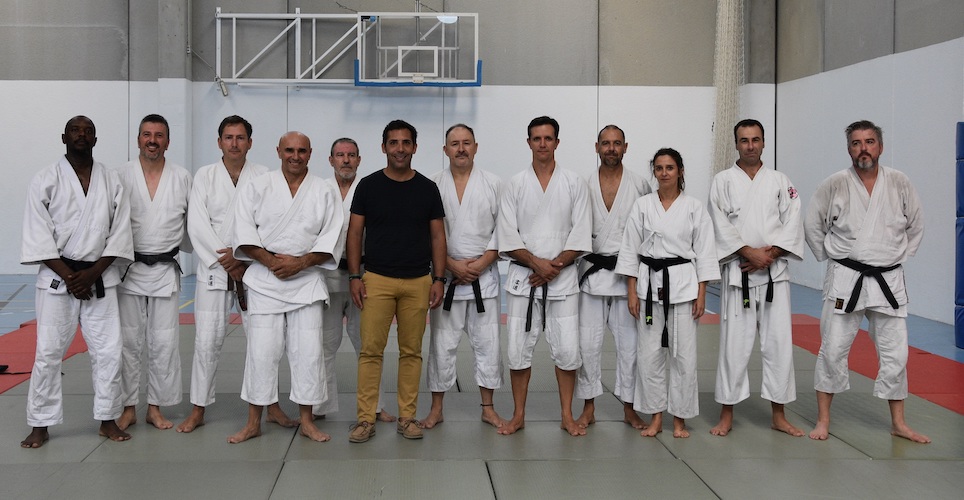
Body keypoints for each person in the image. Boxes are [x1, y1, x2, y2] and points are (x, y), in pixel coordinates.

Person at [804, 120, 930, 443]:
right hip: (847, 276)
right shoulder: (834, 184)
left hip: (888, 278)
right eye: (857, 143)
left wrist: (899, 255)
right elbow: (813, 223)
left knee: (897, 353)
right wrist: (829, 257)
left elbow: (916, 223)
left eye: (870, 142)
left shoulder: (900, 182)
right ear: (849, 149)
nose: (864, 149)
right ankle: (823, 420)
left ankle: (898, 423)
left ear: (880, 147)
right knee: (832, 349)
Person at [19, 115, 133, 448]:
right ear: (64, 137)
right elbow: (37, 235)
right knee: (48, 353)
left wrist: (92, 273)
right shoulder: (45, 179)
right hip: (58, 280)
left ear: (95, 140)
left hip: (100, 278)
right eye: (75, 130)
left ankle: (107, 419)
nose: (81, 135)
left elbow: (121, 232)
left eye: (88, 131)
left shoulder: (111, 180)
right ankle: (40, 423)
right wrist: (71, 277)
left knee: (110, 352)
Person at [177, 116, 296, 433]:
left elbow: (269, 224)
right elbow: (197, 224)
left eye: (240, 137)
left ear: (250, 143)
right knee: (206, 342)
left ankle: (270, 405)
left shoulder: (264, 177)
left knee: (263, 343)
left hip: (252, 270)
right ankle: (198, 408)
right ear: (219, 142)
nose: (234, 143)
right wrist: (226, 259)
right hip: (214, 271)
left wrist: (242, 257)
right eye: (228, 137)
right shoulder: (204, 176)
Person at [228, 131, 342, 444]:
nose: (295, 156)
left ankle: (307, 420)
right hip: (266, 281)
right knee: (261, 353)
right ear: (278, 151)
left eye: (301, 151)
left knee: (308, 354)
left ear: (310, 153)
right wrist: (270, 261)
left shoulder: (323, 190)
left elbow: (331, 238)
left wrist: (300, 263)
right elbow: (243, 231)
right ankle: (254, 421)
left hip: (305, 283)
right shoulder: (257, 186)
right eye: (289, 150)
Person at [347, 120, 446, 443]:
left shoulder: (428, 188)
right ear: (383, 147)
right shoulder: (368, 186)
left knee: (411, 352)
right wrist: (354, 275)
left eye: (406, 143)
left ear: (415, 147)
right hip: (376, 279)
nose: (400, 148)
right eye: (394, 143)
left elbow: (437, 235)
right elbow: (355, 233)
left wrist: (439, 278)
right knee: (370, 352)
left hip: (418, 280)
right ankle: (365, 419)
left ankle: (407, 417)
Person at [707, 119, 806, 437]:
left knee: (779, 346)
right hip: (739, 274)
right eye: (744, 140)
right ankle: (726, 414)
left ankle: (779, 414)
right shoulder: (722, 181)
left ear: (764, 143)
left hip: (774, 274)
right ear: (736, 144)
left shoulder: (780, 180)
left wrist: (771, 255)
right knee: (733, 347)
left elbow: (794, 218)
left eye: (755, 139)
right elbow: (719, 222)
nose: (750, 145)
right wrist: (748, 253)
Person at [497, 116, 592, 436]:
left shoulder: (574, 183)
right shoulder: (514, 184)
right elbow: (507, 236)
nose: (542, 144)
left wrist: (553, 267)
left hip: (562, 281)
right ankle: (518, 414)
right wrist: (537, 264)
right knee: (517, 350)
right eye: (536, 138)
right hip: (525, 280)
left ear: (557, 142)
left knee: (567, 351)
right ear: (528, 143)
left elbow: (581, 234)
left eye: (548, 138)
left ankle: (567, 415)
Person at [615, 148, 719, 438]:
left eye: (670, 168)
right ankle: (656, 416)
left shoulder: (694, 208)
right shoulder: (643, 206)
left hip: (684, 286)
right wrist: (632, 291)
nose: (664, 173)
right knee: (649, 356)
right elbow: (630, 249)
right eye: (659, 168)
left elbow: (705, 252)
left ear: (680, 171)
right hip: (648, 287)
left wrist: (702, 293)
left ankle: (680, 419)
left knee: (684, 356)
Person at [422, 124, 505, 429]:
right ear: (445, 150)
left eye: (466, 143)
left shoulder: (494, 183)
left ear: (476, 147)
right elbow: (427, 232)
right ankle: (436, 408)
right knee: (441, 346)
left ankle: (488, 407)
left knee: (489, 346)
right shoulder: (432, 184)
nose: (461, 148)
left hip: (484, 278)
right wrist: (451, 266)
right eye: (454, 144)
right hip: (447, 279)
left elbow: (504, 229)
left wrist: (482, 263)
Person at [115, 114, 192, 431]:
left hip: (163, 269)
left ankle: (155, 408)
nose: (152, 140)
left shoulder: (182, 177)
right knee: (128, 342)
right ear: (138, 140)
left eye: (159, 135)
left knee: (164, 343)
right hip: (128, 270)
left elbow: (193, 224)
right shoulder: (119, 175)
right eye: (147, 134)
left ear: (168, 142)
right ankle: (129, 406)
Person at [313, 137, 395, 423]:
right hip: (327, 274)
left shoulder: (372, 187)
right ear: (330, 160)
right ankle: (319, 405)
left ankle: (375, 406)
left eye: (351, 155)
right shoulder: (318, 189)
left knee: (368, 344)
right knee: (324, 343)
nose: (345, 160)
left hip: (365, 274)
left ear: (359, 159)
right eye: (340, 155)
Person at [574, 125, 651, 431]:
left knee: (630, 347)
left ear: (625, 147)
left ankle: (629, 408)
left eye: (616, 143)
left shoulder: (640, 184)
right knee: (588, 346)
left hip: (626, 277)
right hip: (592, 276)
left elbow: (648, 230)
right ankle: (589, 407)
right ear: (597, 147)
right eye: (605, 143)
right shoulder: (583, 185)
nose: (611, 148)